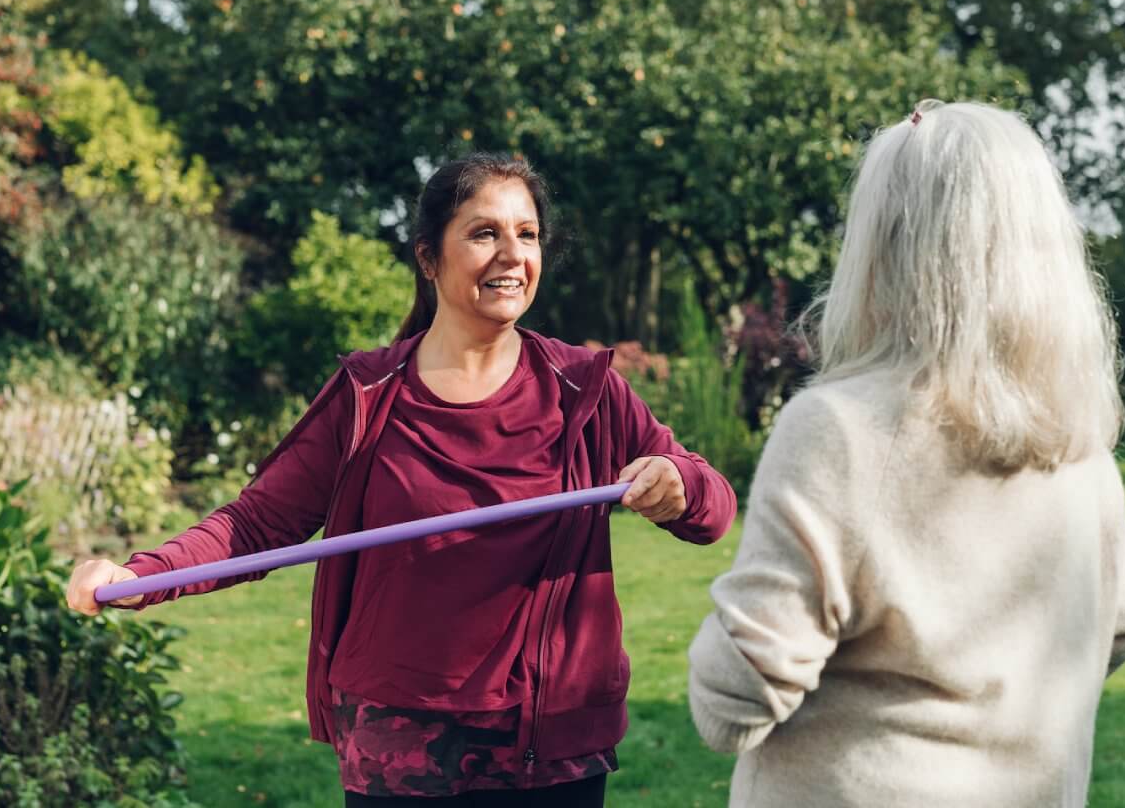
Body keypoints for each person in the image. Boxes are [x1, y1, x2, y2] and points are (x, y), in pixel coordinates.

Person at [67, 152, 737, 806]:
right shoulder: (369, 394)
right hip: (400, 746)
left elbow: (712, 510)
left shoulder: (583, 388)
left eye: (527, 234)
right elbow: (257, 523)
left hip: (550, 745)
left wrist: (678, 482)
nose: (511, 255)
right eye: (483, 233)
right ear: (427, 259)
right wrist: (140, 576)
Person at [686, 100, 1125, 807]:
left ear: (883, 244)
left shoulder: (837, 428)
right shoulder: (1077, 441)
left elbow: (735, 701)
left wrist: (713, 647)